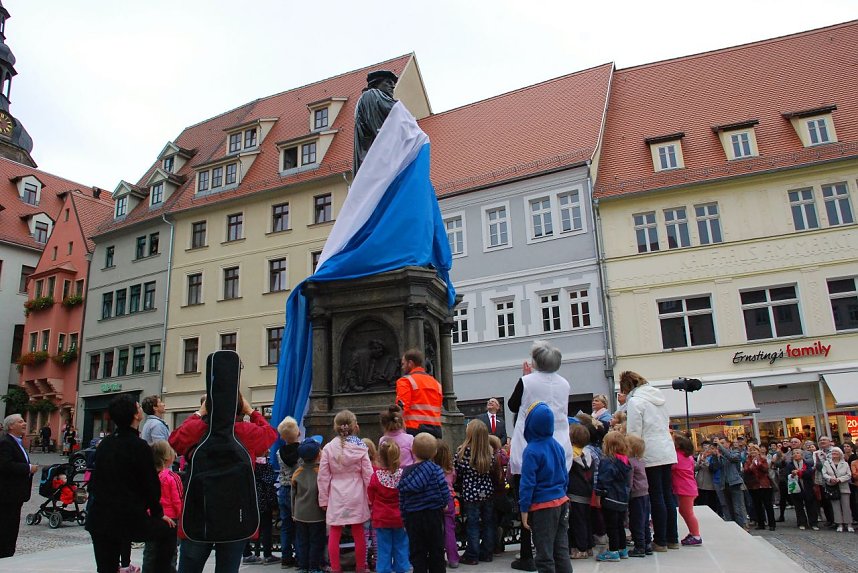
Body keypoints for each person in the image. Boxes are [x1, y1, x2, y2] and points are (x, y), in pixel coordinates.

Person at [169, 392, 278, 573]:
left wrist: (199, 413)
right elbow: (270, 434)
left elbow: (175, 439)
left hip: (199, 513)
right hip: (235, 515)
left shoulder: (199, 430)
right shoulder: (245, 432)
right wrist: (252, 412)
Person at [85, 395, 172, 573]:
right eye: (138, 406)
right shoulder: (139, 446)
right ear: (135, 415)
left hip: (100, 517)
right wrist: (158, 513)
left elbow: (95, 481)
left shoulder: (105, 444)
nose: (140, 409)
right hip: (127, 517)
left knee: (106, 567)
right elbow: (150, 486)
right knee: (167, 532)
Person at [508, 341, 573, 571]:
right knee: (557, 495)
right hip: (560, 443)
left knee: (529, 496)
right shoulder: (564, 383)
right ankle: (559, 551)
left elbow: (513, 405)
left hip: (530, 444)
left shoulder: (527, 381)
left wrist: (526, 377)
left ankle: (530, 553)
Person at [619, 371, 678, 552]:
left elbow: (634, 431)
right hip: (666, 448)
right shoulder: (658, 397)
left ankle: (660, 540)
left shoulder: (636, 401)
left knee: (656, 495)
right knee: (667, 495)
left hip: (649, 450)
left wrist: (631, 452)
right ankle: (672, 538)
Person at [518, 402, 572, 573]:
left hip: (543, 506)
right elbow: (564, 475)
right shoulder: (556, 445)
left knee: (544, 555)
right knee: (561, 550)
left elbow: (527, 484)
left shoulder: (531, 450)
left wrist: (524, 509)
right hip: (562, 501)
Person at [318, 409, 373, 573]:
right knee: (358, 531)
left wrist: (323, 499)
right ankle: (360, 567)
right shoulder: (361, 447)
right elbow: (368, 474)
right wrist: (370, 497)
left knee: (335, 531)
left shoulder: (328, 448)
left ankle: (335, 567)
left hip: (336, 494)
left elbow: (323, 477)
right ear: (354, 426)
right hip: (357, 493)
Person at [397, 432, 450, 573]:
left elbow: (402, 498)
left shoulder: (406, 473)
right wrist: (445, 503)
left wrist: (404, 518)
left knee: (417, 551)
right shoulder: (435, 470)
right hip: (433, 514)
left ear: (413, 450)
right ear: (435, 452)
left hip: (413, 516)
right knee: (436, 549)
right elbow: (443, 489)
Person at [454, 419, 496, 564]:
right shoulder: (489, 451)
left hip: (471, 492)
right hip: (487, 491)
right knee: (488, 522)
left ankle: (472, 554)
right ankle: (487, 553)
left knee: (473, 524)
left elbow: (457, 471)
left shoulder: (463, 451)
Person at [368, 441, 410, 573]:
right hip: (400, 518)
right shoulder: (404, 475)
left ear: (380, 457)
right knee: (401, 546)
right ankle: (402, 568)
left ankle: (383, 569)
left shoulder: (376, 476)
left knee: (383, 548)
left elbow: (371, 496)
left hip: (381, 518)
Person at [0, 414, 38, 558]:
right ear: (11, 426)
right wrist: (28, 468)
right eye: (20, 421)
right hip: (7, 494)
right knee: (6, 525)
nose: (24, 423)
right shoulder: (6, 442)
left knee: (12, 525)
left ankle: (8, 552)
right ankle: (5, 554)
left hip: (15, 494)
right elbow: (5, 465)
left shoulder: (17, 442)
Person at [593, 430, 631, 562]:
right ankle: (622, 549)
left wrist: (598, 495)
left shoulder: (608, 461)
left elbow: (603, 480)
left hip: (610, 498)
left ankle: (613, 551)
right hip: (622, 498)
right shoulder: (625, 461)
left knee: (611, 526)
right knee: (619, 525)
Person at [145, 440, 182, 573]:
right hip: (171, 520)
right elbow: (177, 500)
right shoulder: (172, 477)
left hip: (152, 518)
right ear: (168, 458)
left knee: (150, 553)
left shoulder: (148, 476)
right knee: (170, 553)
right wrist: (180, 516)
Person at [291, 437, 326, 573]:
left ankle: (303, 565)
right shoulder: (320, 472)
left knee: (302, 541)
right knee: (316, 542)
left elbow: (293, 495)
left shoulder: (297, 472)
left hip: (300, 514)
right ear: (318, 455)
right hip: (317, 514)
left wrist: (293, 513)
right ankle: (314, 567)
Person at [353, 70, 398, 174]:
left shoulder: (367, 99)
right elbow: (394, 111)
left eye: (393, 84)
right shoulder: (371, 95)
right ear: (376, 83)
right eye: (388, 82)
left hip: (372, 165)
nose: (392, 87)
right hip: (375, 165)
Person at [396, 349, 443, 438]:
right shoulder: (436, 383)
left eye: (403, 364)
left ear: (410, 363)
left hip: (414, 429)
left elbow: (401, 408)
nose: (402, 367)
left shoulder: (405, 381)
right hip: (436, 430)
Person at [275, 416, 300, 568]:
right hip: (298, 490)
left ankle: (285, 557)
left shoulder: (279, 452)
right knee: (299, 525)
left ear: (282, 437)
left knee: (286, 525)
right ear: (298, 433)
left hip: (284, 490)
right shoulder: (302, 451)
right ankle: (300, 556)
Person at [567, 424, 594, 559]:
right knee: (586, 520)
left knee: (577, 522)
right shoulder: (587, 454)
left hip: (574, 493)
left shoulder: (570, 454)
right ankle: (588, 546)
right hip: (587, 491)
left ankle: (580, 548)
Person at [432, 439, 459, 569]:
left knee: (436, 530)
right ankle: (453, 558)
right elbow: (454, 480)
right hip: (449, 498)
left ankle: (437, 558)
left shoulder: (432, 470)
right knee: (450, 530)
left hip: (435, 499)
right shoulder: (450, 469)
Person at [673, 434, 702, 545]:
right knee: (684, 511)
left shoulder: (677, 457)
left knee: (687, 512)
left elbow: (672, 467)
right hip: (689, 487)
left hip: (685, 488)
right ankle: (693, 532)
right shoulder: (687, 456)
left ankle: (696, 535)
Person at [626, 434, 651, 557]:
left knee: (636, 521)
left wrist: (627, 492)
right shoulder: (641, 461)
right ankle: (647, 544)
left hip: (635, 495)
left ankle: (639, 546)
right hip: (645, 493)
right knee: (644, 520)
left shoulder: (630, 462)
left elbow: (629, 481)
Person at [743, 443, 776, 531]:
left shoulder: (763, 459)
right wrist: (752, 464)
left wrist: (759, 463)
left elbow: (765, 469)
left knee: (768, 505)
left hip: (764, 484)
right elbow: (746, 470)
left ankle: (772, 524)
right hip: (753, 485)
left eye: (755, 450)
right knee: (757, 505)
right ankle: (761, 523)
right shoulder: (747, 461)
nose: (753, 452)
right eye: (751, 451)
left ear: (758, 451)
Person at [820, 447, 853, 532]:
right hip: (832, 487)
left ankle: (849, 524)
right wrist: (830, 479)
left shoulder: (845, 464)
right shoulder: (827, 463)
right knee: (836, 507)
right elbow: (824, 473)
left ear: (840, 454)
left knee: (846, 506)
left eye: (836, 452)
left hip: (843, 486)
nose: (834, 453)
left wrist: (839, 479)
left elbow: (849, 475)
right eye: (833, 452)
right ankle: (839, 524)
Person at [785, 448, 818, 531]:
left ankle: (813, 523)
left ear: (802, 455)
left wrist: (800, 473)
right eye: (794, 453)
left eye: (798, 453)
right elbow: (787, 475)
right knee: (798, 506)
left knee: (811, 506)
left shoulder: (807, 464)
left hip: (807, 487)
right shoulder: (789, 465)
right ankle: (802, 522)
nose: (796, 454)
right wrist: (792, 475)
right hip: (795, 487)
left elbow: (809, 473)